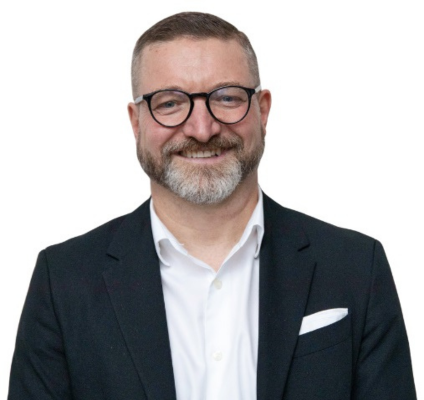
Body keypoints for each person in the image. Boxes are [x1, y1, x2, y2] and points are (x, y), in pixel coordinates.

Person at [8, 11, 416, 400]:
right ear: (136, 123)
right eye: (169, 103)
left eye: (226, 98)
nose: (202, 129)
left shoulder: (356, 268)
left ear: (263, 110)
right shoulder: (62, 283)